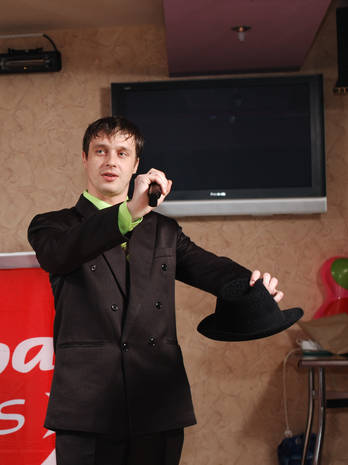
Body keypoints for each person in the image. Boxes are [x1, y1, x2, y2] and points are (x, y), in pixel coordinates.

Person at [27, 116, 285, 465]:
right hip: (86, 409)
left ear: (135, 165)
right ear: (84, 158)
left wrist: (255, 286)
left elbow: (211, 269)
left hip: (157, 401)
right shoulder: (51, 225)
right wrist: (131, 210)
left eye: (122, 153)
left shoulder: (164, 231)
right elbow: (58, 255)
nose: (111, 161)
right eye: (100, 151)